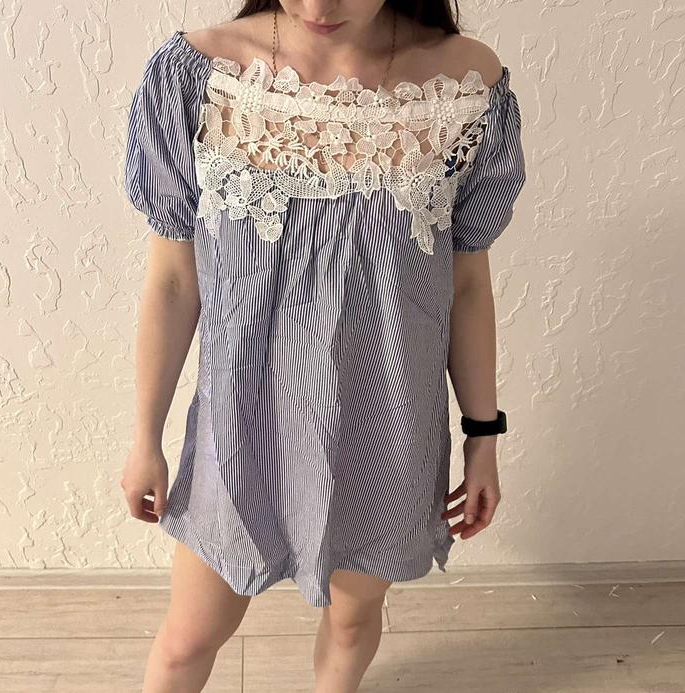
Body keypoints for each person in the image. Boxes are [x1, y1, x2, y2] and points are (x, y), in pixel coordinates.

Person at [121, 1, 527, 691]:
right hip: (243, 428)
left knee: (351, 621)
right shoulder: (198, 76)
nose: (318, 7)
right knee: (188, 638)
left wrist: (483, 436)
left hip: (387, 431)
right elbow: (172, 282)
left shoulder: (463, 88)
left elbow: (466, 286)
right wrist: (145, 437)